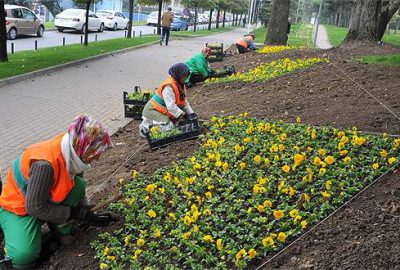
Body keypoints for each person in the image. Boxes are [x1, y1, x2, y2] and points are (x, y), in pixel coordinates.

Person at [0, 113, 112, 268]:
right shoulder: (44, 165)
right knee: (24, 256)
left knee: (78, 186)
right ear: (84, 148)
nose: (97, 158)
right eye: (95, 154)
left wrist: (85, 210)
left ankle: (60, 229)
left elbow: (73, 183)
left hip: (41, 199)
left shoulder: (73, 150)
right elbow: (34, 207)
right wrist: (70, 213)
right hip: (17, 209)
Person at [139, 63, 195, 136]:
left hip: (162, 110)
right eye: (184, 75)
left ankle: (152, 125)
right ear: (178, 75)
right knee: (170, 127)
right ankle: (145, 129)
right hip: (152, 110)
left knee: (176, 123)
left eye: (187, 75)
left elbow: (184, 102)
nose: (186, 77)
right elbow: (171, 106)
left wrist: (191, 114)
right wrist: (184, 115)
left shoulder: (180, 84)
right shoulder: (168, 87)